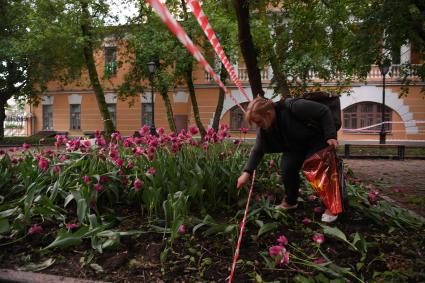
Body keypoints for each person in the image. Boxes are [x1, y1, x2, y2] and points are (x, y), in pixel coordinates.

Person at [236, 96, 339, 223]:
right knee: (287, 168)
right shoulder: (266, 127)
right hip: (295, 146)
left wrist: (330, 135)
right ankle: (291, 201)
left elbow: (324, 111)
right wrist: (246, 173)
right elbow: (258, 150)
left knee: (315, 168)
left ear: (268, 113)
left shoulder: (294, 106)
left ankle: (333, 206)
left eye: (259, 122)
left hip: (317, 139)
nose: (258, 126)